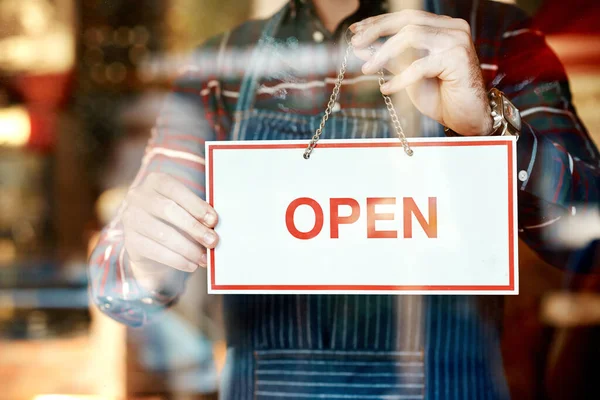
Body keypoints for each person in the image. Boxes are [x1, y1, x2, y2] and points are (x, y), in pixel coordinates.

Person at [88, 0, 600, 398]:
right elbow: (118, 284)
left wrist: (489, 125)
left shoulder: (496, 39)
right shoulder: (221, 68)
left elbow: (591, 235)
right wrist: (144, 253)